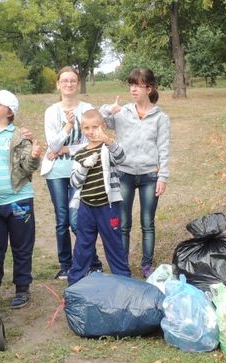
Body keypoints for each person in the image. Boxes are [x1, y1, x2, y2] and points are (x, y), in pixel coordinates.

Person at [100, 68, 170, 278]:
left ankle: (147, 265)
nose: (132, 89)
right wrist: (108, 110)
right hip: (124, 174)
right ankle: (122, 266)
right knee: (123, 224)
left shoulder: (161, 117)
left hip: (150, 175)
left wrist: (163, 176)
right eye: (130, 84)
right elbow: (101, 122)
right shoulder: (122, 112)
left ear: (148, 88)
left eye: (137, 85)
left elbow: (164, 147)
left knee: (147, 223)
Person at [0, 90, 42, 309]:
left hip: (19, 201)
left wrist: (34, 155)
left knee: (21, 247)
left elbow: (27, 167)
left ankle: (22, 288)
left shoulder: (18, 135)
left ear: (10, 112)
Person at [42, 66, 102, 280]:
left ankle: (93, 262)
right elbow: (53, 143)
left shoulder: (87, 108)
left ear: (77, 84)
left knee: (78, 219)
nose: (68, 84)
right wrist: (67, 127)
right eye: (64, 80)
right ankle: (66, 265)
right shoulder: (51, 111)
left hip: (81, 169)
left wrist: (67, 149)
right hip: (56, 172)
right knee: (62, 220)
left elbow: (93, 140)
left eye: (73, 80)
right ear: (58, 84)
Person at [68, 110, 131, 286]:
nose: (90, 131)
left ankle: (124, 281)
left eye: (95, 127)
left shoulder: (108, 148)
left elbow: (122, 158)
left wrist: (108, 140)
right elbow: (74, 182)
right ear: (81, 129)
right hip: (86, 207)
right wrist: (84, 167)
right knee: (83, 246)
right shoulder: (79, 154)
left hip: (108, 206)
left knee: (113, 244)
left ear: (103, 127)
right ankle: (75, 282)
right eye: (86, 128)